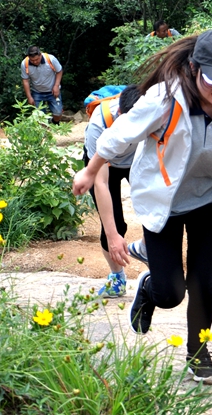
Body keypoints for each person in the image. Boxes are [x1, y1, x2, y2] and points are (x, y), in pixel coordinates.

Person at [72, 29, 212, 385]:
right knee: (171, 294)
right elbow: (117, 136)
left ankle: (199, 353)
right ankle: (150, 289)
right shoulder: (165, 99)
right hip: (164, 199)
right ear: (194, 68)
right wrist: (90, 169)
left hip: (209, 198)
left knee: (203, 282)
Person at [79, 84, 142, 298]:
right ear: (120, 114)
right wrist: (113, 235)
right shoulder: (99, 124)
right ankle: (117, 277)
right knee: (115, 224)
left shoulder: (155, 114)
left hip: (137, 160)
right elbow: (101, 184)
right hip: (105, 163)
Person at [21, 46, 64, 123]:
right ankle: (44, 131)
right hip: (37, 92)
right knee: (39, 116)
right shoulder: (25, 64)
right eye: (32, 60)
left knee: (58, 112)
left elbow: (59, 71)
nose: (35, 62)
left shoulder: (51, 59)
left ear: (40, 55)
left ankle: (54, 122)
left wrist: (56, 86)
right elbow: (25, 80)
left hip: (52, 90)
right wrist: (29, 97)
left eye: (37, 59)